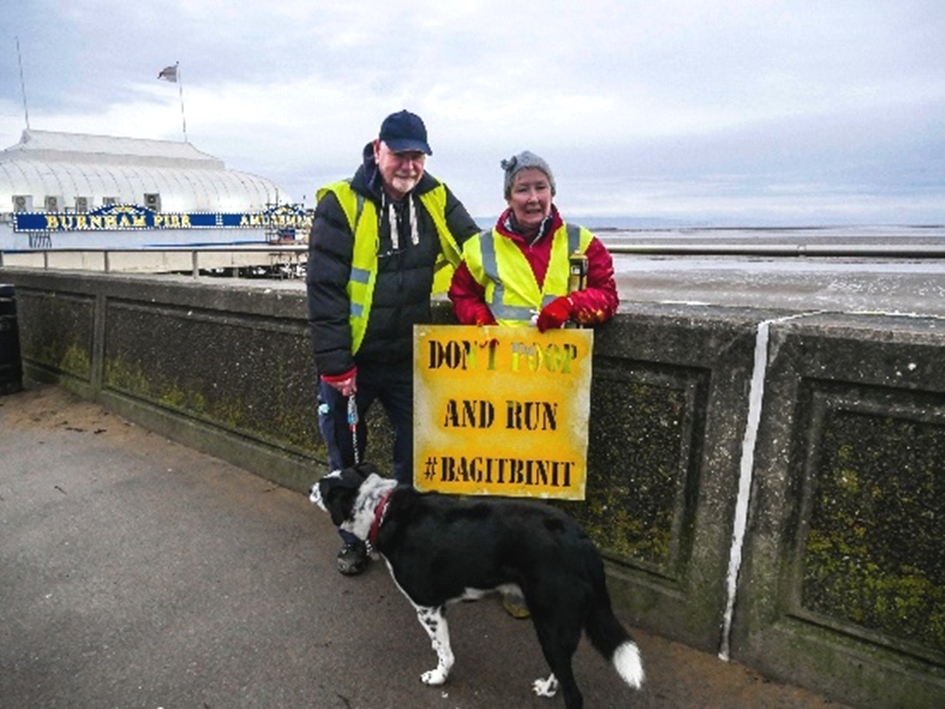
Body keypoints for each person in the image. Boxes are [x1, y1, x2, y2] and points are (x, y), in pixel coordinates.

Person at [306, 110, 481, 575]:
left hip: (408, 359)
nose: (409, 166)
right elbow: (324, 290)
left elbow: (477, 249)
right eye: (400, 154)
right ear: (377, 148)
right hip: (354, 363)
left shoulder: (436, 197)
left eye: (417, 156)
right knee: (346, 456)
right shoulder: (341, 203)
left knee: (417, 455)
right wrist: (336, 365)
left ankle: (404, 534)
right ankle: (353, 540)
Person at [448, 150, 619, 616]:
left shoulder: (583, 242)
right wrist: (477, 317)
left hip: (557, 382)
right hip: (502, 381)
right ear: (508, 196)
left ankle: (533, 578)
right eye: (522, 189)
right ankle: (496, 574)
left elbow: (608, 295)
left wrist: (571, 305)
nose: (532, 197)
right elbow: (460, 292)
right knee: (498, 482)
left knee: (544, 490)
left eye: (540, 187)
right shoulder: (481, 246)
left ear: (552, 192)